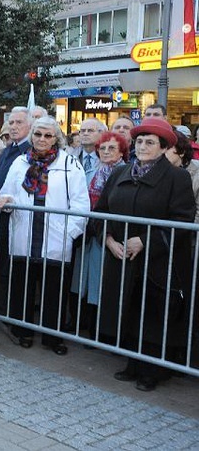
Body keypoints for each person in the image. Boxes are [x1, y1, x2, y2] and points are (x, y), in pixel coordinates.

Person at [94, 118, 195, 391]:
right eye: (139, 141)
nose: (142, 146)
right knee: (128, 310)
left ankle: (152, 371)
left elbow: (183, 222)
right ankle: (133, 363)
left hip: (160, 264)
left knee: (153, 315)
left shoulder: (178, 178)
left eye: (150, 142)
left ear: (164, 148)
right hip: (122, 258)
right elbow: (101, 211)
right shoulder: (120, 173)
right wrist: (109, 238)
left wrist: (146, 241)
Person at [0, 116, 89, 356]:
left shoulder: (70, 164)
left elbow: (80, 204)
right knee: (22, 286)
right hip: (24, 233)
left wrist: (70, 234)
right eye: (38, 134)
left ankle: (52, 337)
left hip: (56, 237)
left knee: (54, 290)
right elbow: (8, 192)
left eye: (47, 135)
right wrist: (5, 202)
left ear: (55, 137)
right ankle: (23, 332)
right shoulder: (19, 162)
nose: (42, 139)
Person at [69, 131, 129, 337]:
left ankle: (101, 330)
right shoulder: (92, 171)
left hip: (110, 235)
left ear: (122, 152)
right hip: (89, 233)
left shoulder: (125, 173)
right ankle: (82, 324)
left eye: (112, 148)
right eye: (102, 148)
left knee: (101, 283)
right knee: (83, 280)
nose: (105, 151)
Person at [0, 107, 32, 313]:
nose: (14, 126)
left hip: (17, 220)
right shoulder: (6, 151)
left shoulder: (30, 153)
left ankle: (11, 314)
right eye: (11, 122)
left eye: (19, 122)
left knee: (12, 271)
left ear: (30, 125)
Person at [165, 130, 199, 223]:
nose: (163, 152)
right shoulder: (159, 171)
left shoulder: (196, 174)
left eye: (168, 148)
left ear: (181, 152)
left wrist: (185, 233)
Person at [77, 118, 106, 184]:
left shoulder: (107, 158)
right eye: (82, 131)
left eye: (90, 131)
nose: (85, 134)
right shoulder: (70, 156)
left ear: (101, 133)